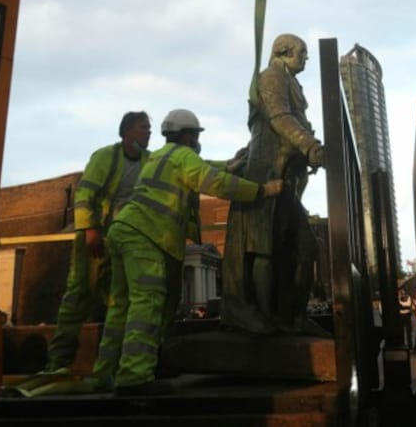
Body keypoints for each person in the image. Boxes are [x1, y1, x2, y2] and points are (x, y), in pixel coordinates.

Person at [92, 109, 283, 396]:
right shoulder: (184, 157)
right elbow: (215, 182)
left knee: (120, 306)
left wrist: (233, 163)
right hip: (147, 236)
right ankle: (134, 377)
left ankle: (104, 374)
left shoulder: (159, 156)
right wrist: (262, 190)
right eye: (195, 135)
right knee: (148, 304)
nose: (196, 140)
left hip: (123, 231)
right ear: (187, 135)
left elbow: (206, 167)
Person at [222, 33, 324, 335]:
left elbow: (295, 122)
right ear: (283, 52)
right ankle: (269, 317)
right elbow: (280, 118)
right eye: (302, 52)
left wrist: (306, 154)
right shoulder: (271, 77)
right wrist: (310, 146)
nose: (306, 58)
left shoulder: (292, 82)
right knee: (263, 247)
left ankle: (292, 316)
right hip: (266, 173)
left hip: (287, 178)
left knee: (303, 248)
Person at [44, 111, 152, 373]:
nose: (149, 132)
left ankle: (108, 364)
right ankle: (58, 362)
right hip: (97, 236)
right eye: (143, 127)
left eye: (149, 127)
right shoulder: (105, 157)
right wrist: (90, 229)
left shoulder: (151, 161)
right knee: (79, 293)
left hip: (124, 239)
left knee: (116, 299)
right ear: (127, 131)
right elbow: (85, 194)